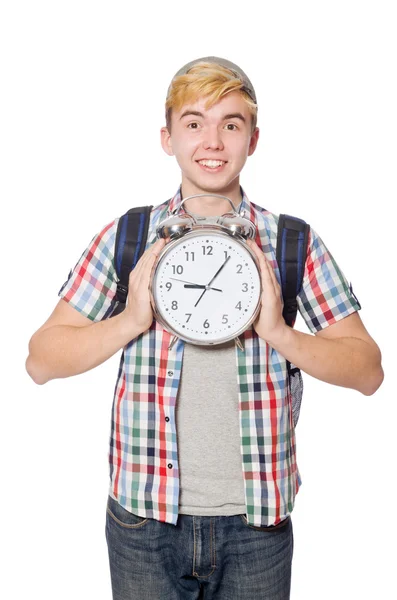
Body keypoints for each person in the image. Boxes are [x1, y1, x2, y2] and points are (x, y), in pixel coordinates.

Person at [25, 56, 384, 600]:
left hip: (255, 526)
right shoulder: (128, 236)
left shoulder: (292, 243)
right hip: (143, 521)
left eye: (231, 124)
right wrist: (130, 320)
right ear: (167, 138)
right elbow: (41, 360)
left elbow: (368, 371)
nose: (212, 141)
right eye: (194, 123)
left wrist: (280, 333)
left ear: (253, 139)